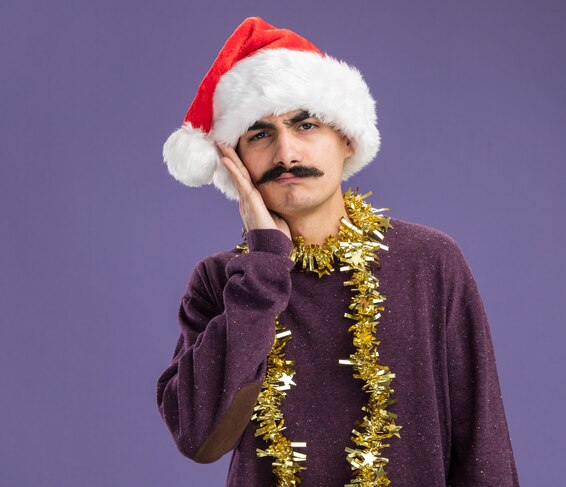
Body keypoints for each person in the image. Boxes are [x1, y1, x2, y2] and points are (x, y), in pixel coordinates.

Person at [156, 17, 519, 486]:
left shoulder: (430, 262)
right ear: (236, 162)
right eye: (260, 134)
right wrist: (264, 267)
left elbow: (482, 446)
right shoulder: (223, 280)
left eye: (305, 124)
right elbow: (197, 435)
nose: (286, 153)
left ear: (346, 138)